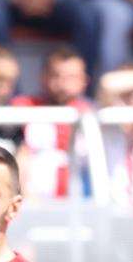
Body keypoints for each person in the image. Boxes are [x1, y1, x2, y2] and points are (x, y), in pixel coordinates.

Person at [14, 44, 92, 198]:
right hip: (33, 204)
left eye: (71, 77)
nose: (62, 84)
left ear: (84, 81)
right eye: (56, 76)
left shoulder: (92, 113)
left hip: (83, 204)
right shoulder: (23, 108)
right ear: (43, 76)